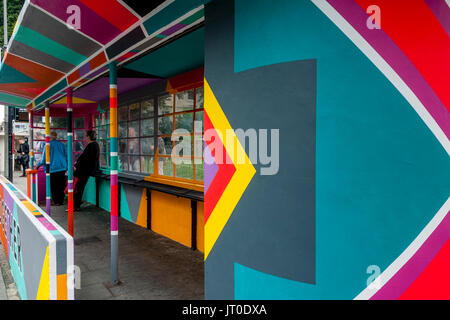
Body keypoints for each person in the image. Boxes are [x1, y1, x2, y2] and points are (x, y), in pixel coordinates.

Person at [37, 132, 67, 206]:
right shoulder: (61, 144)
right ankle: (61, 200)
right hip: (62, 167)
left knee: (54, 185)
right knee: (61, 185)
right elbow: (67, 155)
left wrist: (38, 165)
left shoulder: (47, 145)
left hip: (53, 168)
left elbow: (44, 159)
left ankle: (56, 201)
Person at [73, 130, 99, 211]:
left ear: (89, 136)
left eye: (86, 136)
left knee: (78, 188)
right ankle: (77, 204)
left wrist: (77, 165)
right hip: (87, 170)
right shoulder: (94, 145)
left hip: (84, 171)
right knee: (79, 187)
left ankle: (76, 205)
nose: (85, 137)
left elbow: (85, 159)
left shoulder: (91, 146)